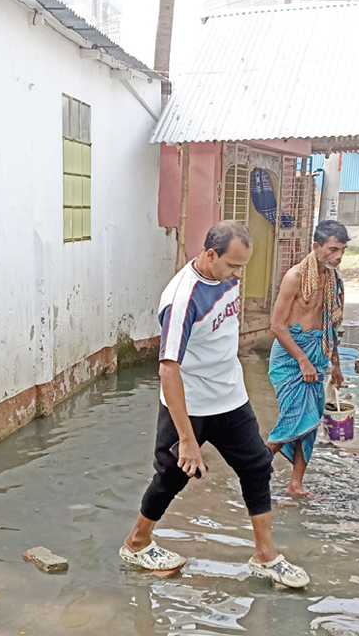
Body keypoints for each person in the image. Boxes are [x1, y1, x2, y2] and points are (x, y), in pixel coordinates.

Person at [119, 220, 309, 589]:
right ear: (210, 255)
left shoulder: (228, 278)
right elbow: (168, 370)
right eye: (233, 266)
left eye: (243, 267)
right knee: (172, 476)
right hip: (189, 403)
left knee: (256, 467)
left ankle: (265, 556)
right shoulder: (182, 300)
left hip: (230, 397)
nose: (238, 275)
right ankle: (137, 543)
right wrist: (188, 440)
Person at [266, 220, 348, 497]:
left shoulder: (334, 280)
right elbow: (277, 325)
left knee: (310, 423)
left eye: (343, 250)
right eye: (333, 249)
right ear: (317, 247)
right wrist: (302, 360)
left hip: (319, 354)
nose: (338, 256)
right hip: (291, 356)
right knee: (293, 417)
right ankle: (255, 470)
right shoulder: (295, 276)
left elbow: (331, 326)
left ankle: (295, 484)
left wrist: (335, 364)